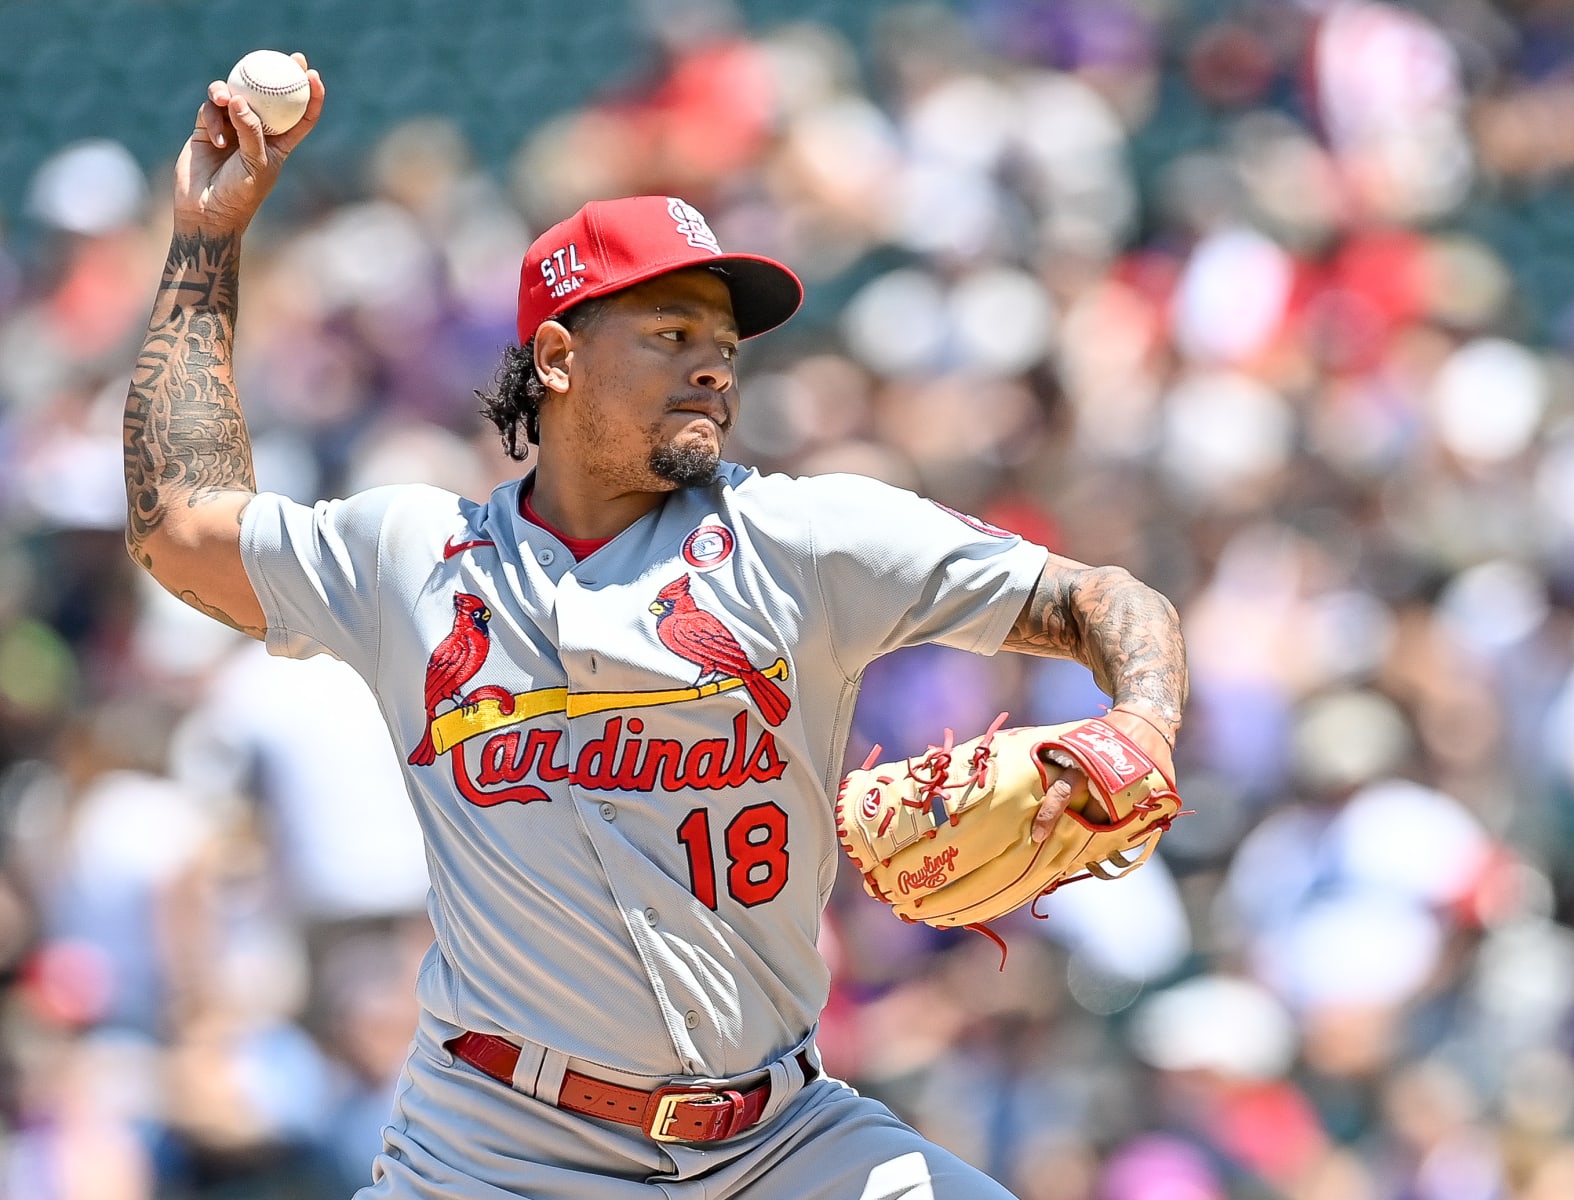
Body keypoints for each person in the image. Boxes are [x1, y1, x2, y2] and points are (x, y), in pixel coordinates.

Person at [123, 56, 1190, 1200]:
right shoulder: (412, 560)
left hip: (778, 1139)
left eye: (724, 343)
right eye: (672, 331)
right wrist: (206, 240)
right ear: (557, 357)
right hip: (496, 1149)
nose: (714, 367)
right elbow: (177, 526)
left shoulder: (805, 538)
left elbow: (1108, 601)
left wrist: (1144, 718)